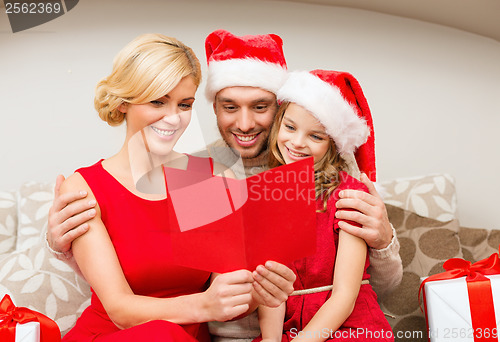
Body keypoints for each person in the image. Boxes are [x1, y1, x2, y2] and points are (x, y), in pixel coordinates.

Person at [47, 30, 402, 341]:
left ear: (281, 109)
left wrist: (383, 239)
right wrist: (67, 248)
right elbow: (130, 286)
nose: (245, 123)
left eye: (260, 106)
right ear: (214, 108)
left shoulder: (321, 176)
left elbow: (373, 286)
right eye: (230, 106)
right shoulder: (207, 172)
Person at [59, 33, 295, 342]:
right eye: (158, 101)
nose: (173, 118)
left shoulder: (210, 180)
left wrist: (261, 291)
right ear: (123, 102)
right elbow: (120, 309)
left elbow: (227, 298)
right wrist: (204, 305)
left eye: (184, 104)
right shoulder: (86, 187)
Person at [254, 69, 394, 342]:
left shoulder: (349, 196)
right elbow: (272, 289)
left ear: (333, 144)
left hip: (349, 326)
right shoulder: (266, 194)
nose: (296, 143)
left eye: (315, 137)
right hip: (289, 328)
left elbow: (344, 295)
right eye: (290, 127)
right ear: (278, 124)